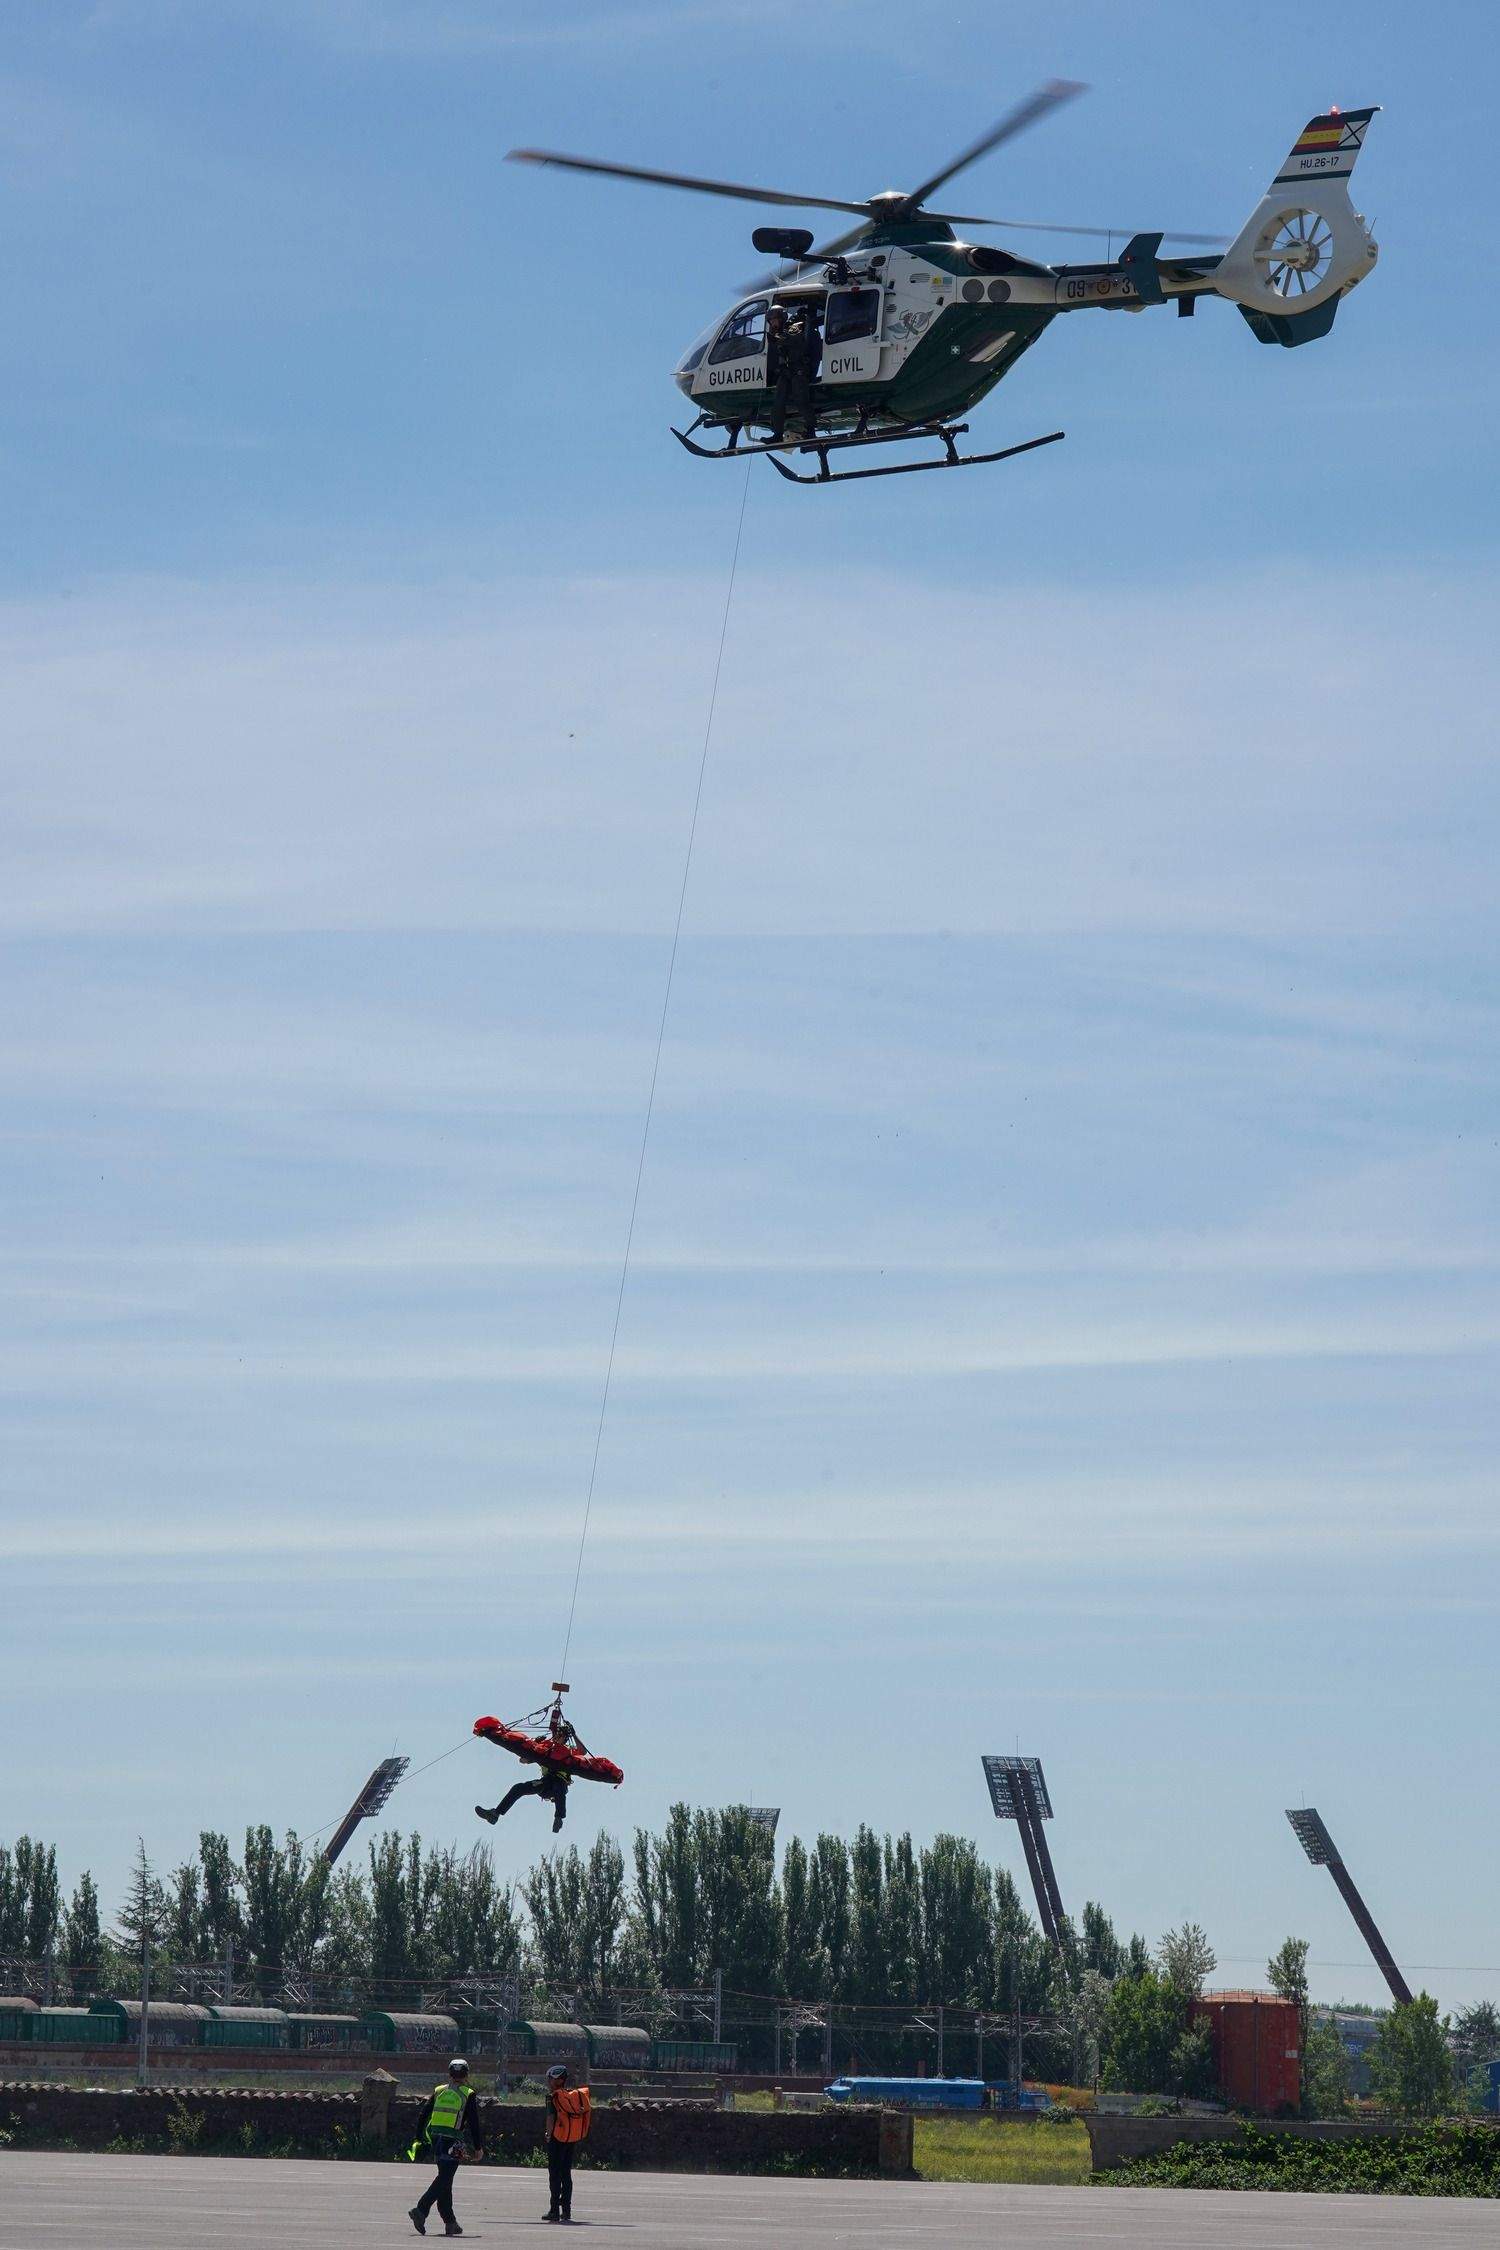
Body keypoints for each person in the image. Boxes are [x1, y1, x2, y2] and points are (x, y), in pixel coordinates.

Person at [476, 1702, 588, 1836]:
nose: (558, 1737)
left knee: (559, 1786)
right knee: (519, 1787)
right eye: (558, 1734)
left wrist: (574, 1734)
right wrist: (535, 1745)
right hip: (545, 1784)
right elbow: (523, 1760)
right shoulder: (546, 1750)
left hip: (559, 1783)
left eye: (561, 1735)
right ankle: (495, 1813)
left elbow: (583, 1751)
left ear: (565, 1738)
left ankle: (559, 1818)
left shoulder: (568, 1752)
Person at [408, 2056, 482, 2238]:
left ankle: (450, 2222)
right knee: (444, 2179)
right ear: (466, 2075)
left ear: (449, 2074)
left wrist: (418, 2137)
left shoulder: (439, 2091)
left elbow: (423, 2114)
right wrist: (478, 2147)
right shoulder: (468, 2094)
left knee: (445, 2181)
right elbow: (474, 2123)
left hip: (437, 2140)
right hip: (453, 2141)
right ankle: (421, 2209)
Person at [543, 2061, 591, 2224]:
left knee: (554, 2174)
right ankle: (566, 2210)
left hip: (557, 2138)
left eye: (550, 2079)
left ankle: (554, 2210)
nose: (549, 2082)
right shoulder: (573, 2096)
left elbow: (550, 2117)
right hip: (571, 2138)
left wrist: (548, 2134)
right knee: (566, 2173)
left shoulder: (553, 2097)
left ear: (556, 2080)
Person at [765, 300, 818, 444]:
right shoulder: (777, 333)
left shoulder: (794, 328)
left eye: (775, 320)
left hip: (798, 371)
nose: (773, 323)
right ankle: (777, 433)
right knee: (778, 403)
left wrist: (777, 339)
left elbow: (794, 340)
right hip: (786, 372)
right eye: (771, 321)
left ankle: (811, 430)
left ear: (782, 318)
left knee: (801, 401)